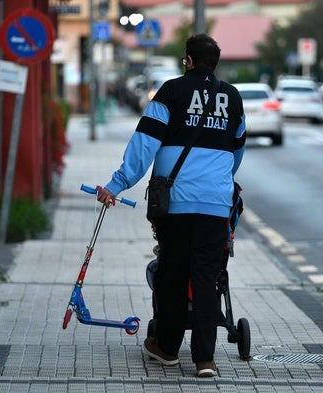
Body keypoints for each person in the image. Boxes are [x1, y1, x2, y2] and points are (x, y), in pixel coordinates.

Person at [96, 34, 246, 377]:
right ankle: (205, 360)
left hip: (175, 203)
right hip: (214, 204)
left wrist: (117, 185)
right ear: (216, 63)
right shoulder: (233, 98)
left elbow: (145, 143)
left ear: (189, 61)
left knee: (173, 274)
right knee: (207, 278)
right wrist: (219, 183)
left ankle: (166, 349)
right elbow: (236, 152)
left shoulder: (171, 92)